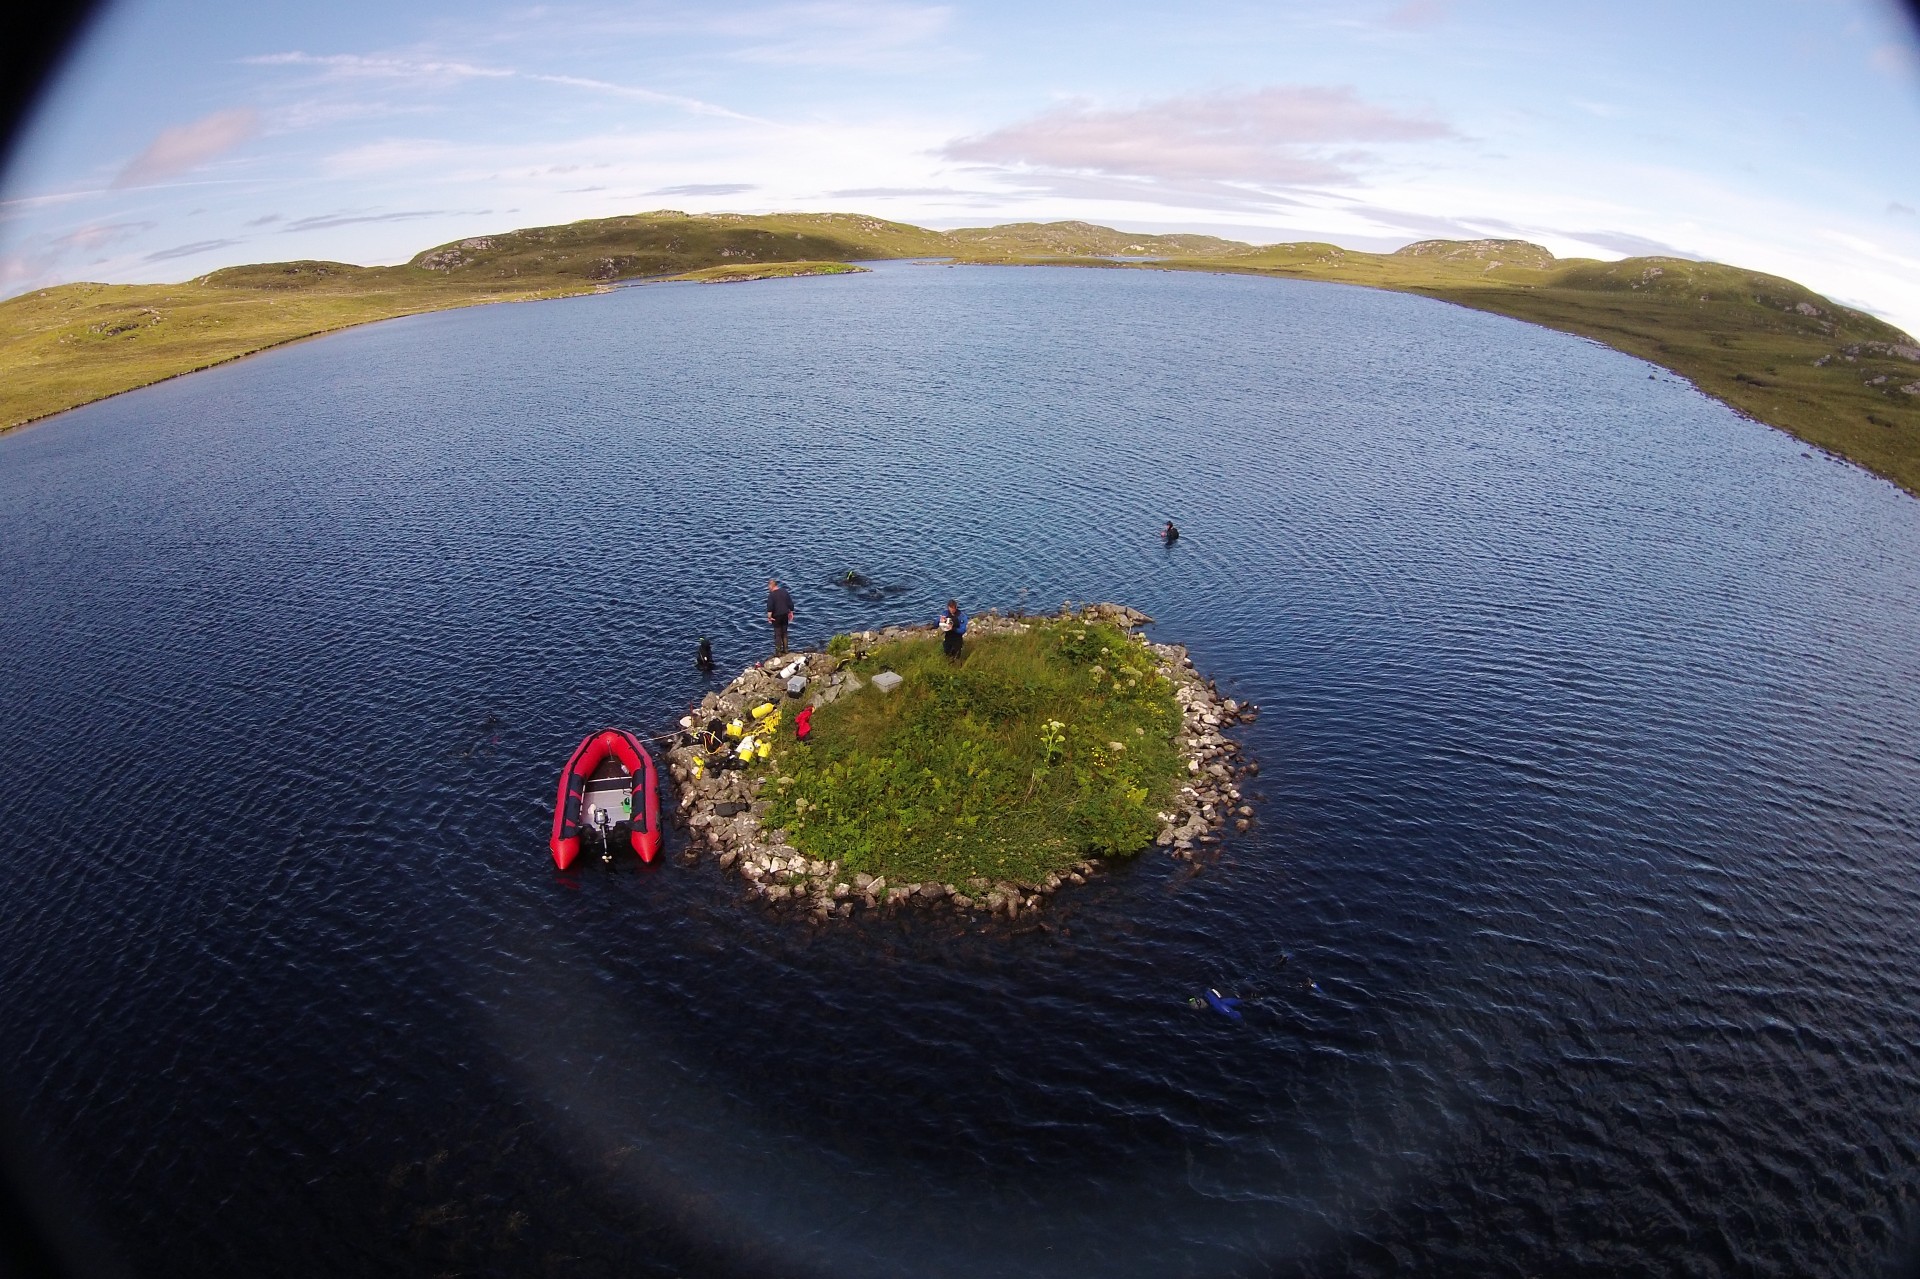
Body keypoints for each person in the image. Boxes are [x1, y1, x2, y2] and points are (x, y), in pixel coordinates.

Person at [766, 578, 796, 656]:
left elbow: (770, 607)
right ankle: (786, 650)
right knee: (785, 633)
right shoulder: (784, 591)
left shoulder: (771, 595)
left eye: (768, 586)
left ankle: (778, 652)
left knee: (778, 634)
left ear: (771, 585)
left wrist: (769, 617)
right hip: (785, 614)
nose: (768, 588)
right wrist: (791, 612)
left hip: (776, 617)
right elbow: (790, 603)